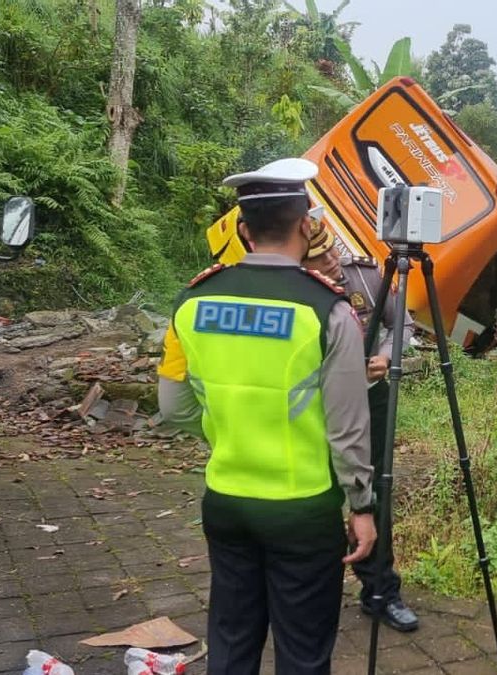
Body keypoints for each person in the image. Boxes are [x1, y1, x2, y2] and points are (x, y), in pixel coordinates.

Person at [157, 157, 376, 674]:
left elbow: (173, 406)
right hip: (303, 509)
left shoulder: (193, 301)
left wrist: (226, 427)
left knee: (231, 641)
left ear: (241, 228)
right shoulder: (328, 310)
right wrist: (361, 506)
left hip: (227, 501)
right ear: (306, 225)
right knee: (302, 652)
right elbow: (348, 428)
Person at [303, 228, 420, 632]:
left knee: (375, 493)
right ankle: (312, 591)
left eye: (331, 251)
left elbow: (402, 323)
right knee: (317, 493)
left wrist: (386, 358)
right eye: (319, 258)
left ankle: (380, 592)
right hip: (312, 405)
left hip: (370, 397)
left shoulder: (367, 276)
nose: (331, 262)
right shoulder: (293, 290)